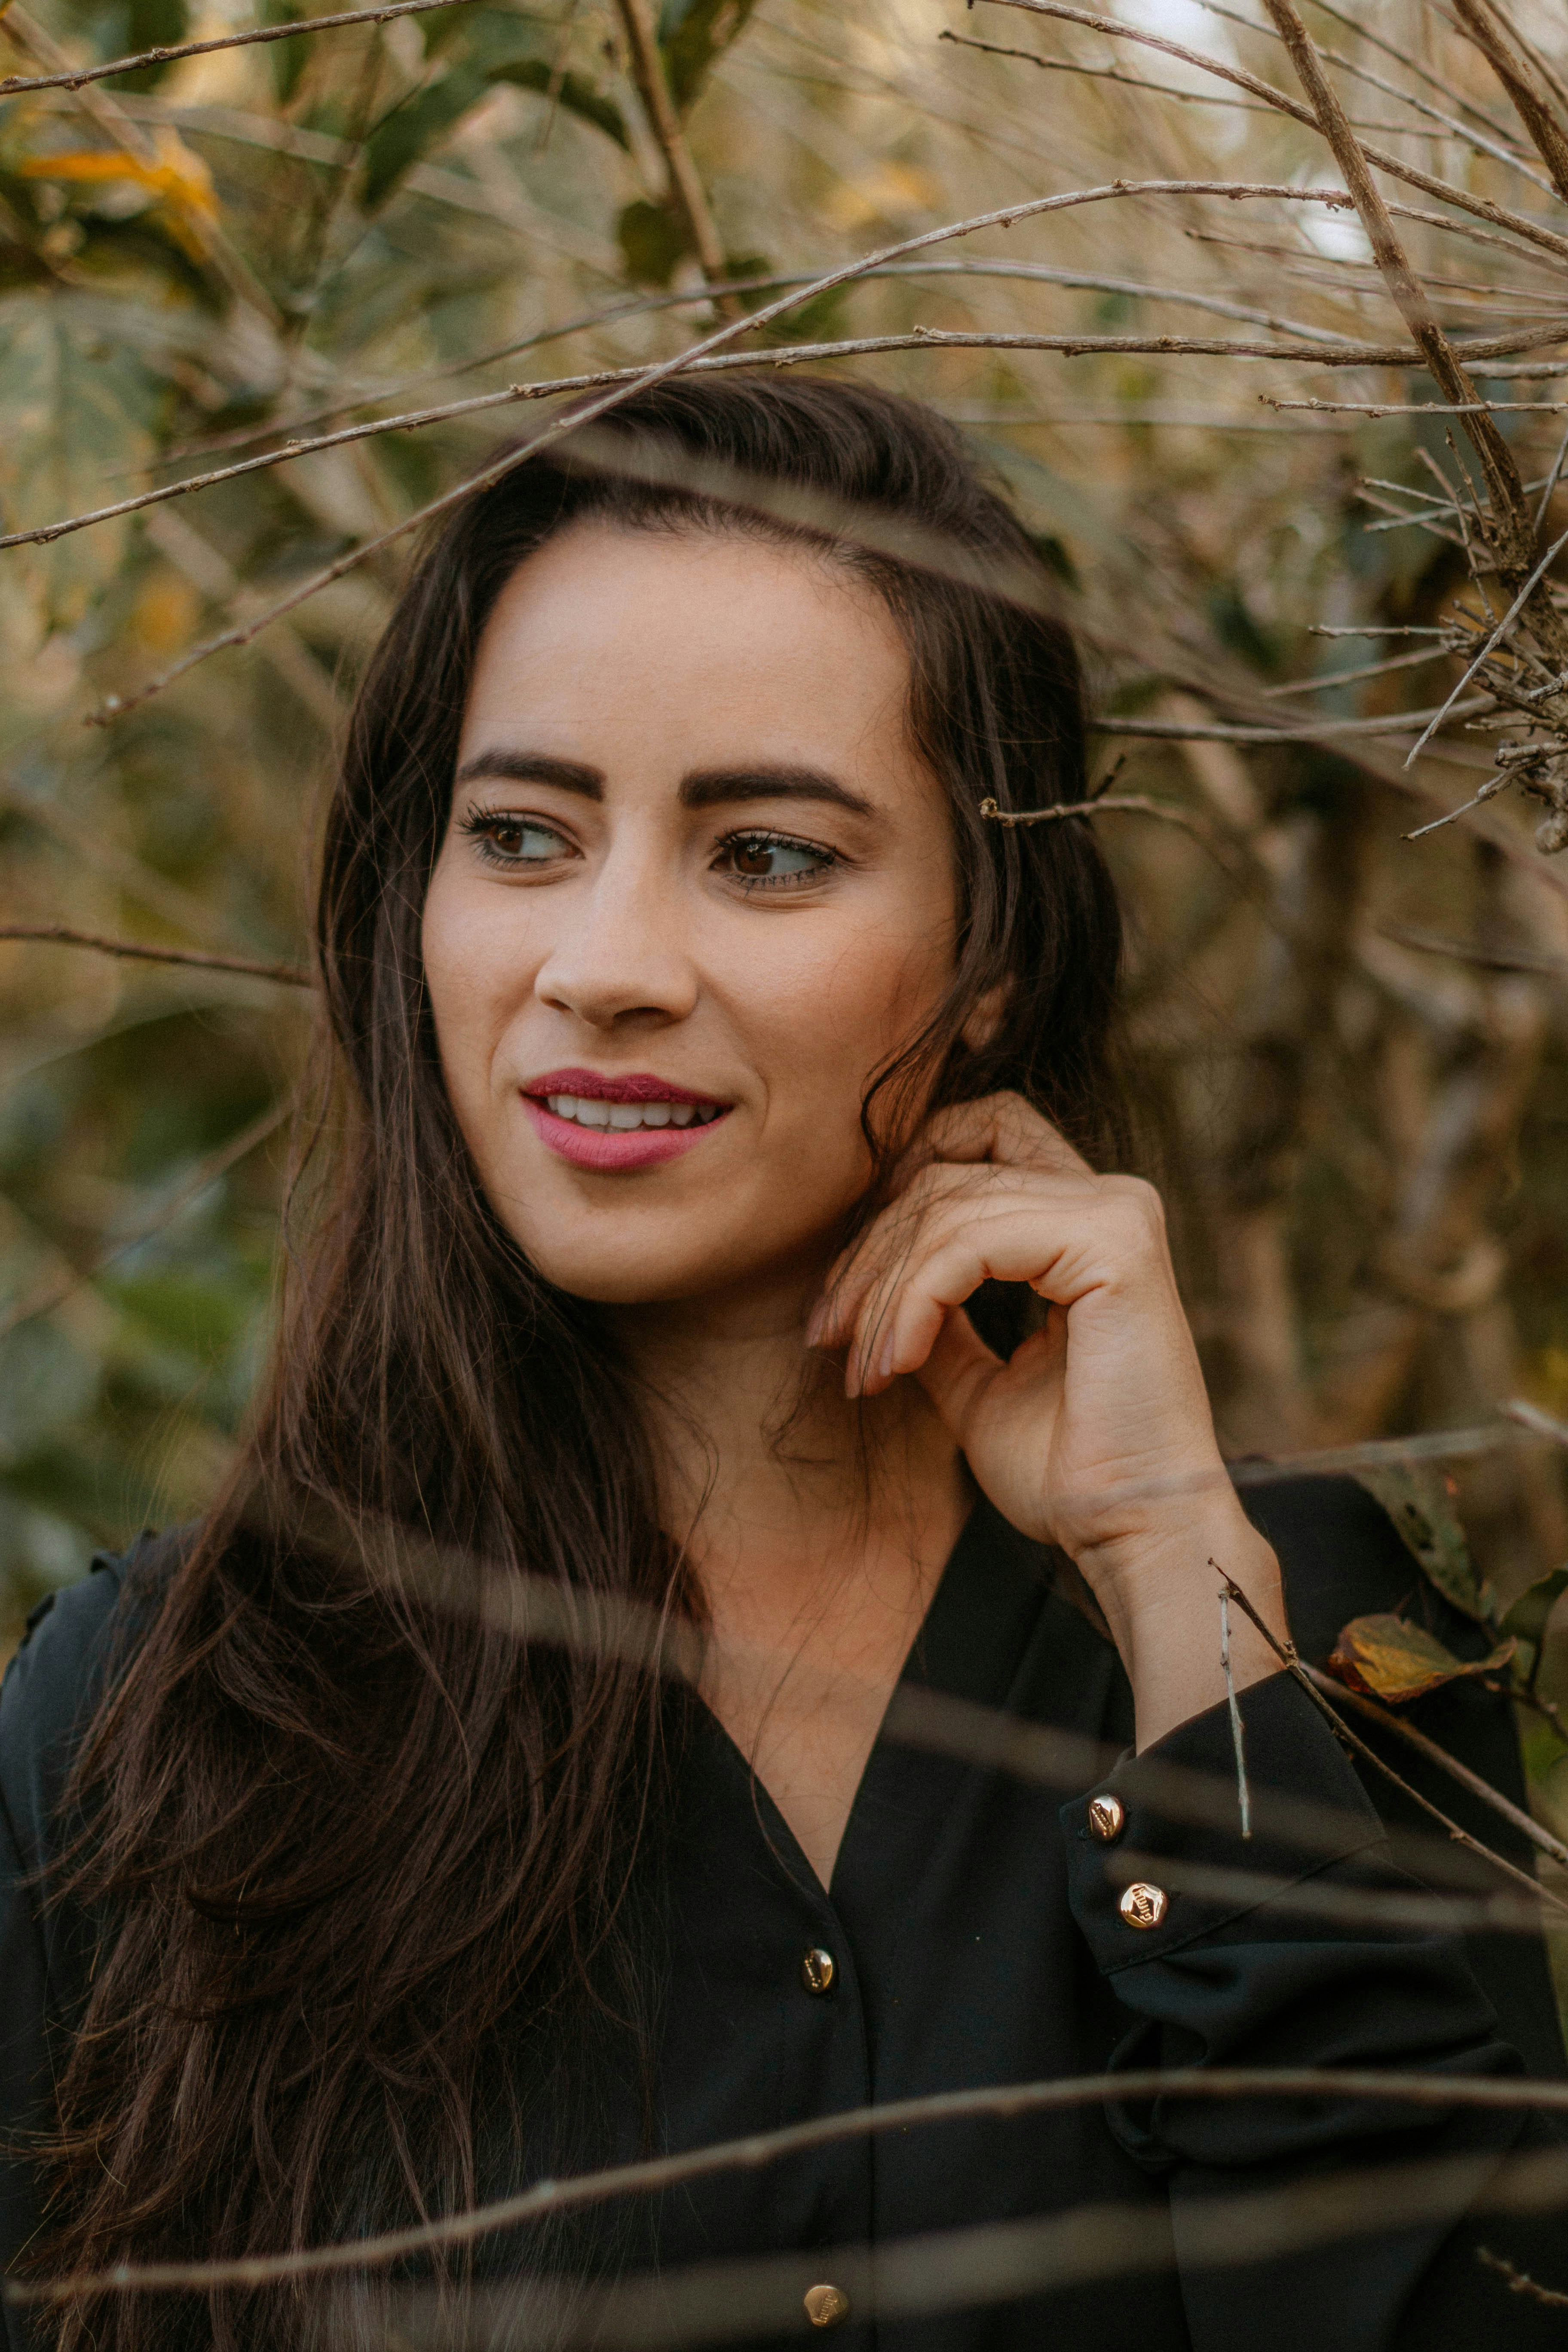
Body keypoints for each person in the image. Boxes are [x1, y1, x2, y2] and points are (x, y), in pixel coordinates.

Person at [1, 377, 1564, 2352]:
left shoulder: (1320, 1639)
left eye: (767, 856)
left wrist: (1177, 1568)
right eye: (521, 834)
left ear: (989, 952)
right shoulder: (152, 1727)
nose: (607, 961)